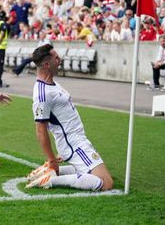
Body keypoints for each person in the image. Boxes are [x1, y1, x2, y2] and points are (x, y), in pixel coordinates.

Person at [26, 44, 113, 191]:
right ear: (47, 64)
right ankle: (52, 179)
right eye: (56, 58)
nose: (60, 59)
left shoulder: (51, 82)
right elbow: (41, 130)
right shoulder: (42, 94)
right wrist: (52, 159)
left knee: (102, 174)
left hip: (76, 141)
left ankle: (51, 171)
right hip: (74, 143)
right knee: (106, 183)